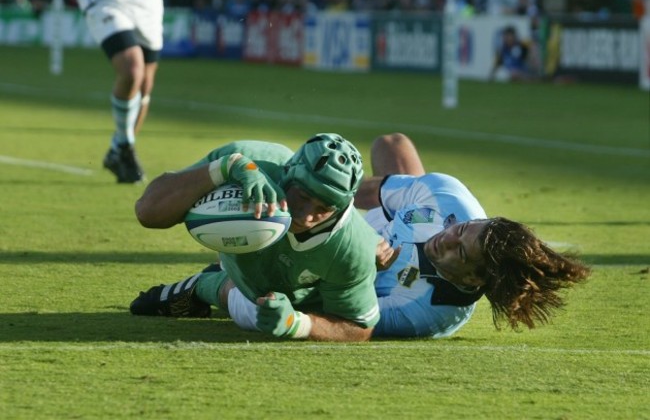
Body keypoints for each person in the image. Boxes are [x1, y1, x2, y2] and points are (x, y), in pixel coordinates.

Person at [222, 133, 591, 338]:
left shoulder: (426, 313)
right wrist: (323, 206)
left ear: (473, 279)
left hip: (334, 273)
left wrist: (358, 255)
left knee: (243, 298)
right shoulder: (449, 199)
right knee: (392, 144)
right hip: (371, 222)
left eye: (459, 253)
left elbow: (340, 316)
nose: (447, 238)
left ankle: (200, 288)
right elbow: (366, 194)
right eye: (460, 229)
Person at [129, 133, 381, 341]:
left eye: (323, 209)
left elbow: (360, 326)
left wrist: (299, 324)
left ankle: (206, 286)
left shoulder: (352, 247)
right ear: (289, 172)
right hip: (245, 266)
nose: (306, 217)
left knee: (256, 314)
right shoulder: (249, 159)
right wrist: (223, 169)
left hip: (295, 302)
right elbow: (147, 211)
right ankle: (217, 281)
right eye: (302, 197)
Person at [72, 0, 164, 183]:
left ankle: (118, 152)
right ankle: (124, 145)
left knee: (144, 87)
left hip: (146, 0)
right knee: (132, 70)